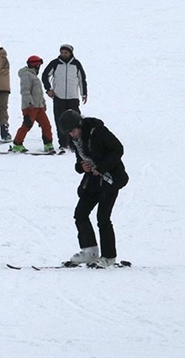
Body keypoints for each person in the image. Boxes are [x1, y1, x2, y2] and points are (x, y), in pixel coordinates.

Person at [59, 109, 129, 268]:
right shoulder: (76, 141)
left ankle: (109, 256)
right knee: (80, 213)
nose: (72, 135)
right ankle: (89, 251)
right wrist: (81, 167)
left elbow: (118, 149)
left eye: (73, 130)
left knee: (103, 218)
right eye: (69, 133)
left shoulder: (97, 132)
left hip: (110, 178)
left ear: (80, 125)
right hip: (93, 180)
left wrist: (102, 167)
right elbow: (80, 161)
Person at [42, 44, 88, 150]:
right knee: (60, 120)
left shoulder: (76, 64)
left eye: (66, 52)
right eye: (62, 52)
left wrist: (84, 94)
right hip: (59, 98)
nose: (63, 54)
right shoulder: (55, 63)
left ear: (71, 53)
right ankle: (63, 143)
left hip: (73, 97)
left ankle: (77, 142)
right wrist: (48, 89)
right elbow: (45, 75)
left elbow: (82, 79)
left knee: (76, 120)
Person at [10, 55, 54, 153]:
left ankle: (48, 144)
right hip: (30, 107)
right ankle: (17, 144)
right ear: (36, 65)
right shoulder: (26, 75)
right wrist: (29, 103)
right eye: (39, 65)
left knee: (46, 125)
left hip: (39, 107)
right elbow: (25, 90)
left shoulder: (34, 76)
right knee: (27, 125)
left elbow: (39, 92)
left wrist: (43, 103)